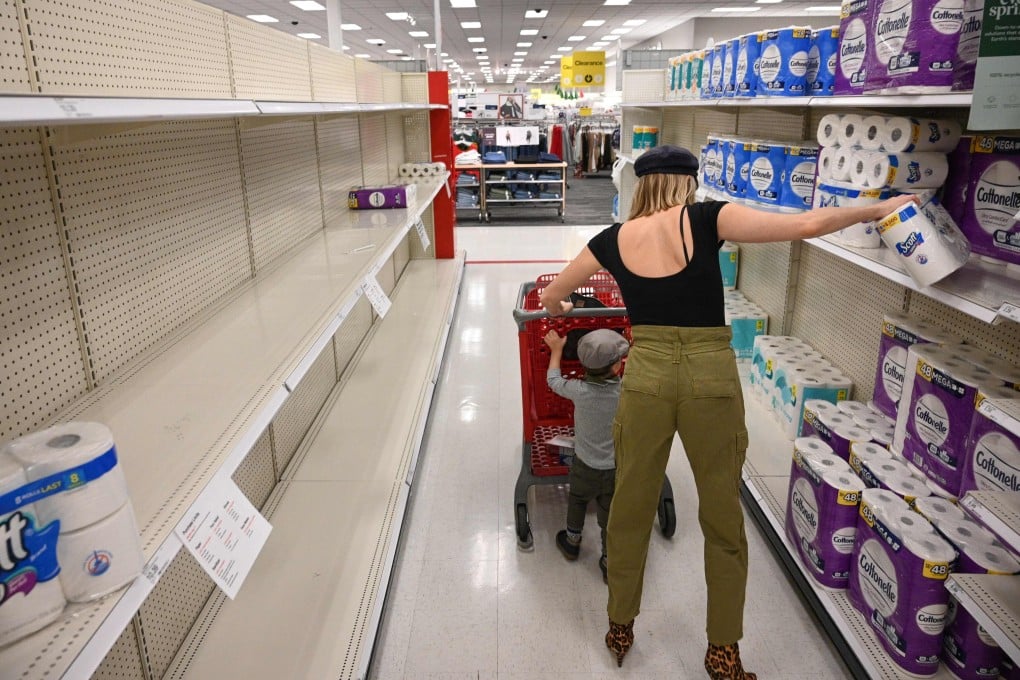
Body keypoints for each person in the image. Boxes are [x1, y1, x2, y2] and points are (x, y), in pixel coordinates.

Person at [538, 144, 917, 679]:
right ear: (686, 182)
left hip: (644, 374)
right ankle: (723, 653)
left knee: (629, 507)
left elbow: (553, 295)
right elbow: (806, 224)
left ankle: (620, 624)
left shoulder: (610, 239)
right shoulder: (708, 218)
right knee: (721, 517)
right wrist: (873, 209)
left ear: (644, 184)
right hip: (709, 377)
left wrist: (570, 308)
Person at [543, 328, 629, 582]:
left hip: (584, 463)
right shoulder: (625, 392)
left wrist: (557, 350)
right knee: (608, 516)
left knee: (578, 500)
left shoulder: (579, 390)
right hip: (614, 469)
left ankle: (572, 541)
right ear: (616, 369)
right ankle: (608, 562)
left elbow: (553, 381)